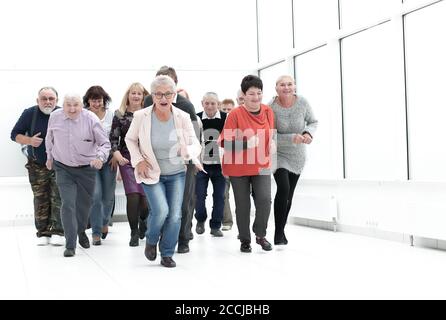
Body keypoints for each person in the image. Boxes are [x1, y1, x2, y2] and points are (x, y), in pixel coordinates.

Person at [126, 75, 202, 268]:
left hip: (177, 172)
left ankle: (167, 253)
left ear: (173, 95)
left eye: (167, 93)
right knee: (161, 211)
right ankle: (152, 240)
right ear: (152, 95)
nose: (163, 98)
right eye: (159, 94)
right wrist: (138, 160)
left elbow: (195, 143)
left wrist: (188, 151)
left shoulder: (182, 117)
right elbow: (130, 140)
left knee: (175, 214)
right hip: (152, 172)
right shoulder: (141, 116)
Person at [46, 93, 111, 257]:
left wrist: (100, 158)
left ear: (81, 106)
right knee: (68, 204)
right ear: (63, 105)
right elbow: (50, 138)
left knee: (83, 206)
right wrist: (49, 157)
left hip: (86, 169)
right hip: (63, 167)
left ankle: (81, 231)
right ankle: (70, 244)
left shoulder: (91, 119)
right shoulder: (55, 116)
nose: (72, 109)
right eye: (68, 105)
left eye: (76, 105)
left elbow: (104, 143)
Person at [144, 65, 199, 254]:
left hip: (182, 164)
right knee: (160, 207)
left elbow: (194, 138)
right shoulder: (147, 102)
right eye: (160, 79)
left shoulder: (186, 106)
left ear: (175, 84)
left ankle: (183, 239)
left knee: (183, 204)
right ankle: (157, 238)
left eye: (168, 80)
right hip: (155, 163)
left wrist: (193, 156)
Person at [220, 75, 275, 253]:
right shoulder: (234, 114)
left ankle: (260, 234)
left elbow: (270, 132)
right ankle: (245, 240)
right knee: (243, 206)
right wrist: (246, 144)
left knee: (265, 200)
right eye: (251, 94)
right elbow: (224, 143)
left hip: (261, 163)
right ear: (243, 95)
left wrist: (272, 142)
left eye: (259, 93)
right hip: (238, 167)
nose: (256, 97)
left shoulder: (267, 111)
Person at [10, 87, 64, 246]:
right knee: (41, 198)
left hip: (59, 165)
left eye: (51, 99)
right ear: (38, 100)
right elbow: (14, 134)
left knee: (59, 197)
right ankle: (43, 232)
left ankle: (58, 232)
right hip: (36, 165)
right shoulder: (29, 113)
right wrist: (29, 141)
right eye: (44, 98)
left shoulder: (63, 113)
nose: (48, 102)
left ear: (57, 100)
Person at [269, 75, 318, 245]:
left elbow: (313, 122)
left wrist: (308, 133)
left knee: (288, 195)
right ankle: (277, 233)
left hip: (297, 155)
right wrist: (291, 138)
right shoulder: (271, 107)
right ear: (276, 88)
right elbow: (270, 135)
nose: (287, 87)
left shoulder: (303, 103)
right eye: (282, 85)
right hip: (278, 153)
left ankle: (281, 231)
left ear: (294, 86)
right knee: (283, 187)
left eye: (290, 84)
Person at [110, 82, 150, 246]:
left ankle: (143, 221)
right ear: (128, 96)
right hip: (126, 159)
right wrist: (117, 155)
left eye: (139, 93)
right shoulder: (119, 114)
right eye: (132, 93)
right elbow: (113, 139)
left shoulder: (149, 114)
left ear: (143, 96)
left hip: (147, 160)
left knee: (145, 199)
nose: (135, 96)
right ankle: (133, 232)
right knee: (132, 196)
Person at [83, 86, 117, 246]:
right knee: (95, 197)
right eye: (93, 100)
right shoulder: (83, 115)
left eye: (99, 100)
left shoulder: (112, 115)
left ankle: (104, 222)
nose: (96, 104)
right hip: (91, 161)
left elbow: (117, 137)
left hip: (109, 160)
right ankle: (96, 232)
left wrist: (116, 155)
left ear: (104, 100)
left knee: (108, 197)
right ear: (88, 101)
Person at [195, 92, 227, 237]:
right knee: (199, 195)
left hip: (220, 166)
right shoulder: (196, 118)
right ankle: (200, 219)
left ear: (218, 104)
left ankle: (215, 226)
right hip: (202, 165)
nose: (209, 106)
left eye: (213, 103)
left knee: (220, 196)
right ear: (202, 103)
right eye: (206, 103)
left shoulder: (226, 119)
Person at [218, 98, 236, 231]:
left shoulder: (236, 123)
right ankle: (227, 221)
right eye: (224, 110)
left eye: (229, 109)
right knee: (224, 193)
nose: (227, 112)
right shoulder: (219, 124)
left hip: (237, 164)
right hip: (222, 164)